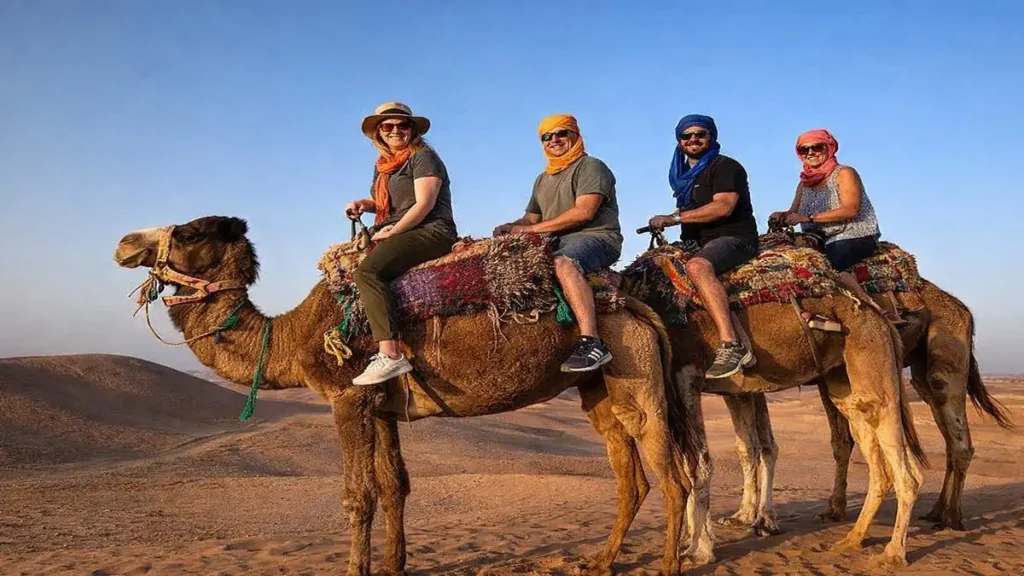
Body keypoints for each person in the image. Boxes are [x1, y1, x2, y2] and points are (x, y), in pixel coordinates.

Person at [493, 114, 622, 372]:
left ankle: (592, 342)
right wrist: (510, 227)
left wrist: (532, 231)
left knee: (562, 264)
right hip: (556, 240)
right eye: (547, 136)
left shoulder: (591, 167)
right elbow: (531, 218)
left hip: (596, 238)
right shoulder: (543, 179)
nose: (554, 140)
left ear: (575, 136)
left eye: (561, 133)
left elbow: (584, 212)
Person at [346, 102, 458, 385]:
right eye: (388, 126)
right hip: (401, 228)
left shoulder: (424, 158)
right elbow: (393, 205)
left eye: (402, 125)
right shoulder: (383, 167)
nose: (395, 131)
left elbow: (423, 204)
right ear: (379, 133)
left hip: (432, 230)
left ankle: (391, 353)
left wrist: (393, 231)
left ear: (412, 129)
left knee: (368, 273)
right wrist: (365, 205)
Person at [647, 115, 759, 379]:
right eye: (686, 135)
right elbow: (692, 209)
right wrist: (667, 219)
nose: (693, 139)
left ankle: (732, 345)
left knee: (697, 267)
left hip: (734, 237)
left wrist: (674, 219)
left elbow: (723, 206)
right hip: (697, 240)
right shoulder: (683, 177)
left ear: (712, 137)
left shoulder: (726, 167)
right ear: (679, 142)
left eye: (700, 134)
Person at [767, 129, 900, 323]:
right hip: (820, 238)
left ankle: (877, 312)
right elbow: (794, 211)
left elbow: (850, 209)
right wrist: (781, 215)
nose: (811, 153)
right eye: (804, 150)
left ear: (829, 148)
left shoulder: (844, 173)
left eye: (816, 147)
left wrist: (809, 218)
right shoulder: (804, 183)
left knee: (826, 268)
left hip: (854, 234)